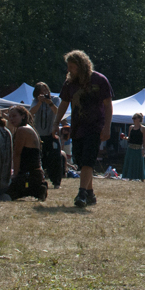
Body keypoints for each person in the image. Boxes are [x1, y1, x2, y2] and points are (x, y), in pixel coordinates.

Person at [52, 50, 113, 208]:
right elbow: (64, 104)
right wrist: (55, 122)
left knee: (88, 159)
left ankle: (82, 194)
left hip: (95, 127)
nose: (69, 70)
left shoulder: (99, 80)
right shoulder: (69, 84)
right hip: (77, 128)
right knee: (82, 161)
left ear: (81, 66)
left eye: (72, 67)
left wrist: (107, 127)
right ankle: (90, 193)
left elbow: (108, 105)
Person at [6, 105, 48, 201]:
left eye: (14, 116)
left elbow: (17, 154)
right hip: (35, 174)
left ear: (23, 116)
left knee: (5, 195)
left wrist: (15, 175)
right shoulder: (28, 128)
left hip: (28, 174)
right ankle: (38, 188)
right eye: (10, 116)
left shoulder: (22, 130)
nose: (11, 119)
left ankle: (37, 189)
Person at [30, 82, 63, 189]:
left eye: (45, 90)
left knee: (55, 157)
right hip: (39, 135)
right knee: (40, 158)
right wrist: (39, 102)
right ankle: (40, 179)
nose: (44, 93)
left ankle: (56, 181)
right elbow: (31, 113)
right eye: (41, 91)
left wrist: (49, 102)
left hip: (52, 133)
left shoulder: (55, 99)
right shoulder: (35, 101)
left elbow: (58, 112)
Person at [122, 113, 145, 181]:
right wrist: (125, 137)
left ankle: (142, 178)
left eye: (135, 118)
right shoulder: (131, 127)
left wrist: (143, 149)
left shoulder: (143, 128)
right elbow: (129, 138)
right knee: (130, 163)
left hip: (138, 148)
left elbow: (144, 140)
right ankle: (130, 177)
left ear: (139, 119)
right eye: (133, 118)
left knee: (139, 163)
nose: (133, 120)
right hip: (130, 147)